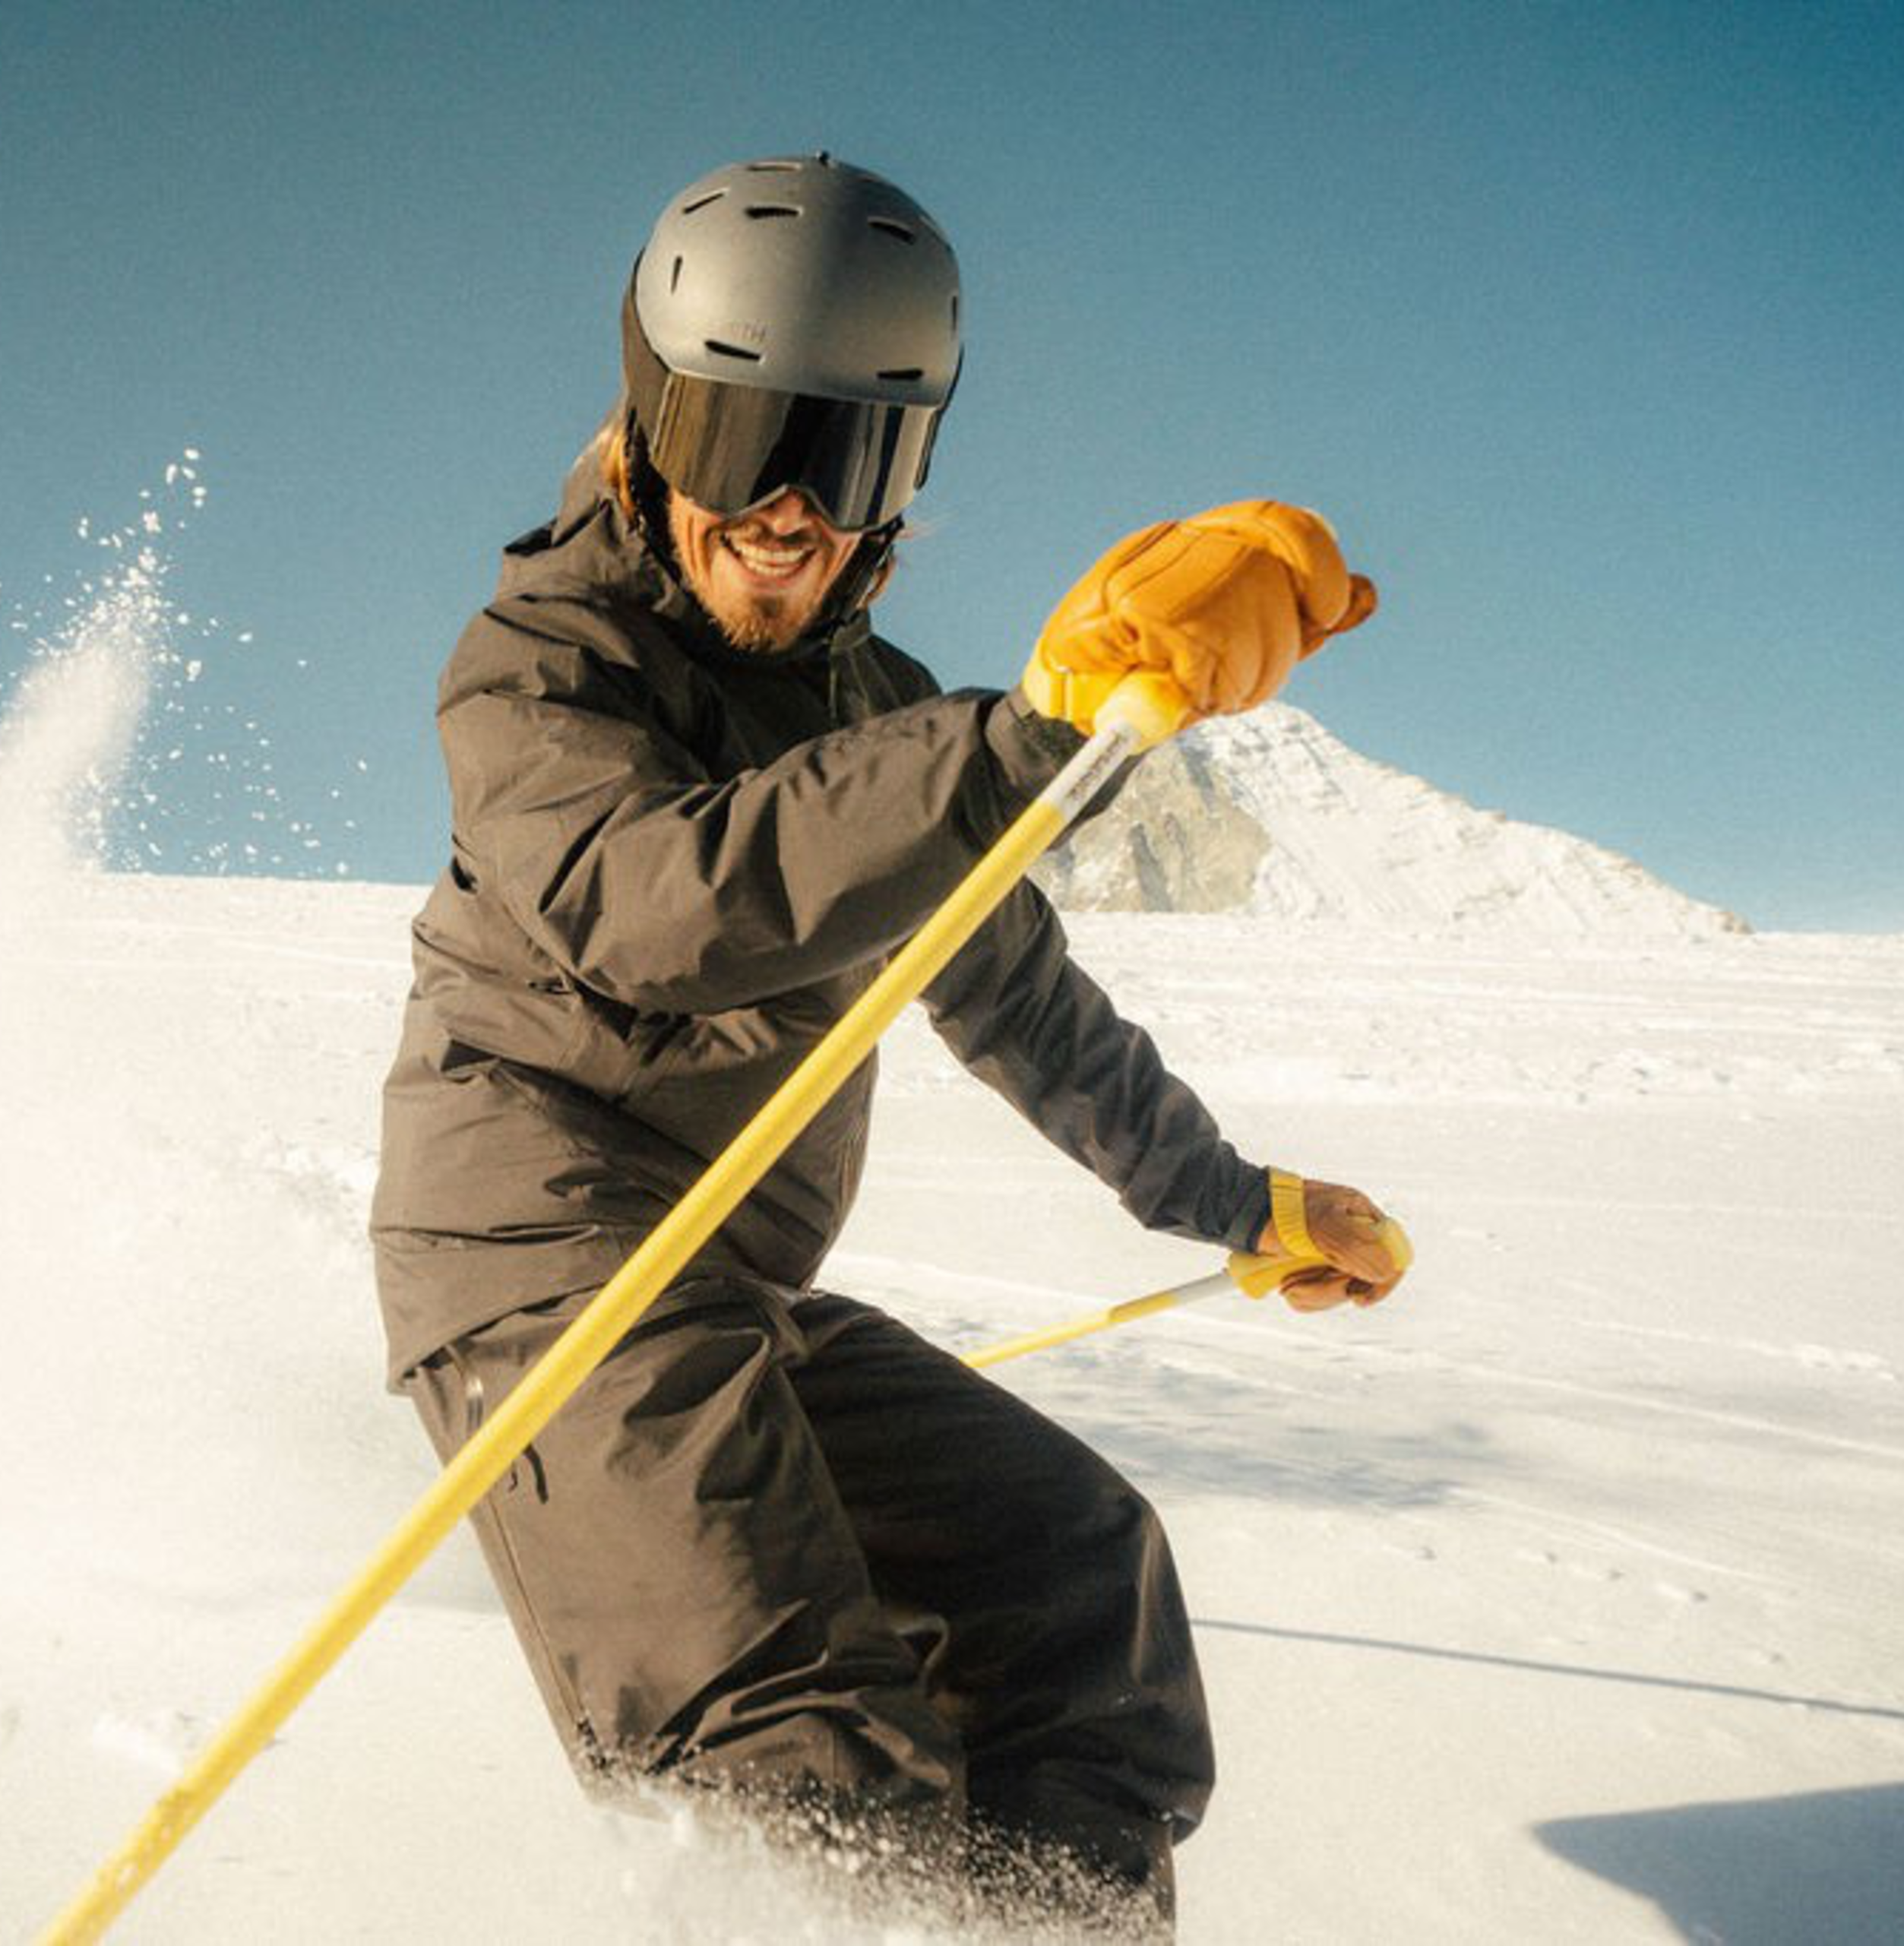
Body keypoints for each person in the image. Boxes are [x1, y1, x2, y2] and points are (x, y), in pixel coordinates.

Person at [368, 153, 1406, 1927]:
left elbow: (1018, 996)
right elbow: (659, 904)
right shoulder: (539, 664)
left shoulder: (888, 713)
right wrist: (1025, 741)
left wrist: (1241, 1199)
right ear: (647, 424)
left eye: (843, 456)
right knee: (807, 1755)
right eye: (736, 440)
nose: (786, 513)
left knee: (1080, 1582)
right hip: (541, 1273)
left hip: (729, 1288)